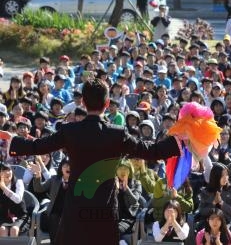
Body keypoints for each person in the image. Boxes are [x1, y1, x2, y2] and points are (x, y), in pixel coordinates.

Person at [0, 79, 183, 245]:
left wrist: (14, 140)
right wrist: (179, 141)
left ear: (84, 103)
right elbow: (150, 151)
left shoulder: (70, 130)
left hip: (76, 204)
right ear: (107, 103)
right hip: (105, 207)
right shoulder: (116, 133)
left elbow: (39, 146)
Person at [32, 158, 70, 244]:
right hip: (54, 214)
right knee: (55, 219)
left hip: (69, 214)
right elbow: (39, 189)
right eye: (66, 165)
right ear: (61, 168)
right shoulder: (54, 179)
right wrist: (38, 175)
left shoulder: (78, 181)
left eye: (71, 165)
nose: (68, 168)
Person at [0, 163, 29, 237]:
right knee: (2, 230)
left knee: (14, 230)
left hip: (20, 216)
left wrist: (4, 188)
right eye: (3, 170)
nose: (7, 172)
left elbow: (18, 199)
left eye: (9, 170)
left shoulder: (18, 182)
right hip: (4, 216)